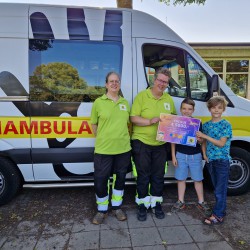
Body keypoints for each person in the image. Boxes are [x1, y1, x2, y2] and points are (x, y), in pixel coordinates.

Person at [130, 67, 176, 221]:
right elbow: (133, 118)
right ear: (154, 79)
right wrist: (149, 121)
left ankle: (156, 203)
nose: (162, 84)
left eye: (165, 82)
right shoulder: (142, 96)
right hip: (142, 142)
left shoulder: (168, 99)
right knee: (143, 175)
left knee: (158, 176)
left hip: (160, 145)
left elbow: (174, 120)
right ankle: (142, 205)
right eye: (160, 80)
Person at [90, 72, 131, 225]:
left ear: (119, 84)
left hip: (123, 149)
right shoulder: (98, 102)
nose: (114, 83)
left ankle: (117, 207)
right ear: (106, 84)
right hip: (103, 149)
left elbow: (128, 125)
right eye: (111, 81)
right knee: (101, 180)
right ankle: (101, 210)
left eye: (117, 81)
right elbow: (93, 124)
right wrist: (103, 137)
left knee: (120, 179)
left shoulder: (125, 103)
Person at [171, 98, 212, 216]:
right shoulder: (177, 122)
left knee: (198, 179)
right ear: (180, 109)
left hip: (195, 156)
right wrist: (173, 156)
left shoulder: (197, 123)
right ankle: (180, 201)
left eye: (189, 109)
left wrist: (201, 145)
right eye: (184, 108)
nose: (186, 111)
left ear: (193, 110)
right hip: (181, 155)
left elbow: (202, 140)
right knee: (181, 179)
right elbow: (172, 140)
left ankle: (201, 201)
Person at [196, 96, 232, 225]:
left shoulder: (226, 124)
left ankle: (218, 215)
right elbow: (203, 142)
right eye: (213, 107)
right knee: (217, 187)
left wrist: (204, 136)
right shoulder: (206, 125)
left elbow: (221, 143)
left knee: (220, 189)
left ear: (223, 109)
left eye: (219, 108)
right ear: (209, 109)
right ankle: (220, 209)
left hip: (222, 161)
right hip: (211, 160)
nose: (216, 110)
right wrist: (204, 154)